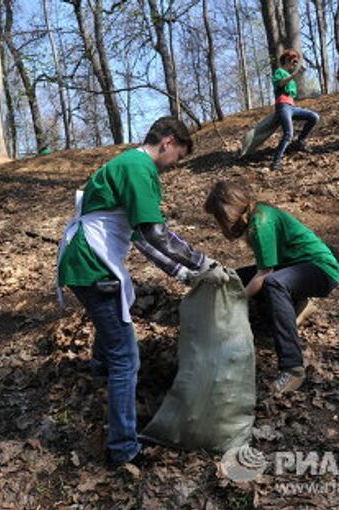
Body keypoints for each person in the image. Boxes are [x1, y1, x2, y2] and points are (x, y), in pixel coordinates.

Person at [57, 117, 227, 468]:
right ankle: (123, 448)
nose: (175, 166)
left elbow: (140, 238)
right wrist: (203, 263)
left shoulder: (129, 164)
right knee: (127, 357)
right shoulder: (139, 168)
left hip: (83, 260)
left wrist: (182, 272)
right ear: (167, 142)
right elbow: (155, 233)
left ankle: (100, 371)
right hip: (92, 264)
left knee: (114, 319)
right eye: (177, 156)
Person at [203, 181, 339, 396]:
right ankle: (297, 306)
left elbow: (265, 273)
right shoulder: (256, 217)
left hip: (322, 270)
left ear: (228, 212)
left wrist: (237, 301)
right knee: (237, 278)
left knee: (272, 284)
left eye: (218, 218)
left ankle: (292, 368)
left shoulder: (261, 223)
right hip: (296, 267)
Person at [271, 49, 320, 171]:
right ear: (287, 60)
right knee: (288, 134)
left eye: (296, 62)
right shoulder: (279, 72)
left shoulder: (291, 79)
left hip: (292, 107)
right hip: (282, 106)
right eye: (294, 61)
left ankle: (300, 141)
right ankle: (276, 161)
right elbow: (280, 84)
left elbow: (292, 94)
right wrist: (293, 75)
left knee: (314, 116)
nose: (295, 64)